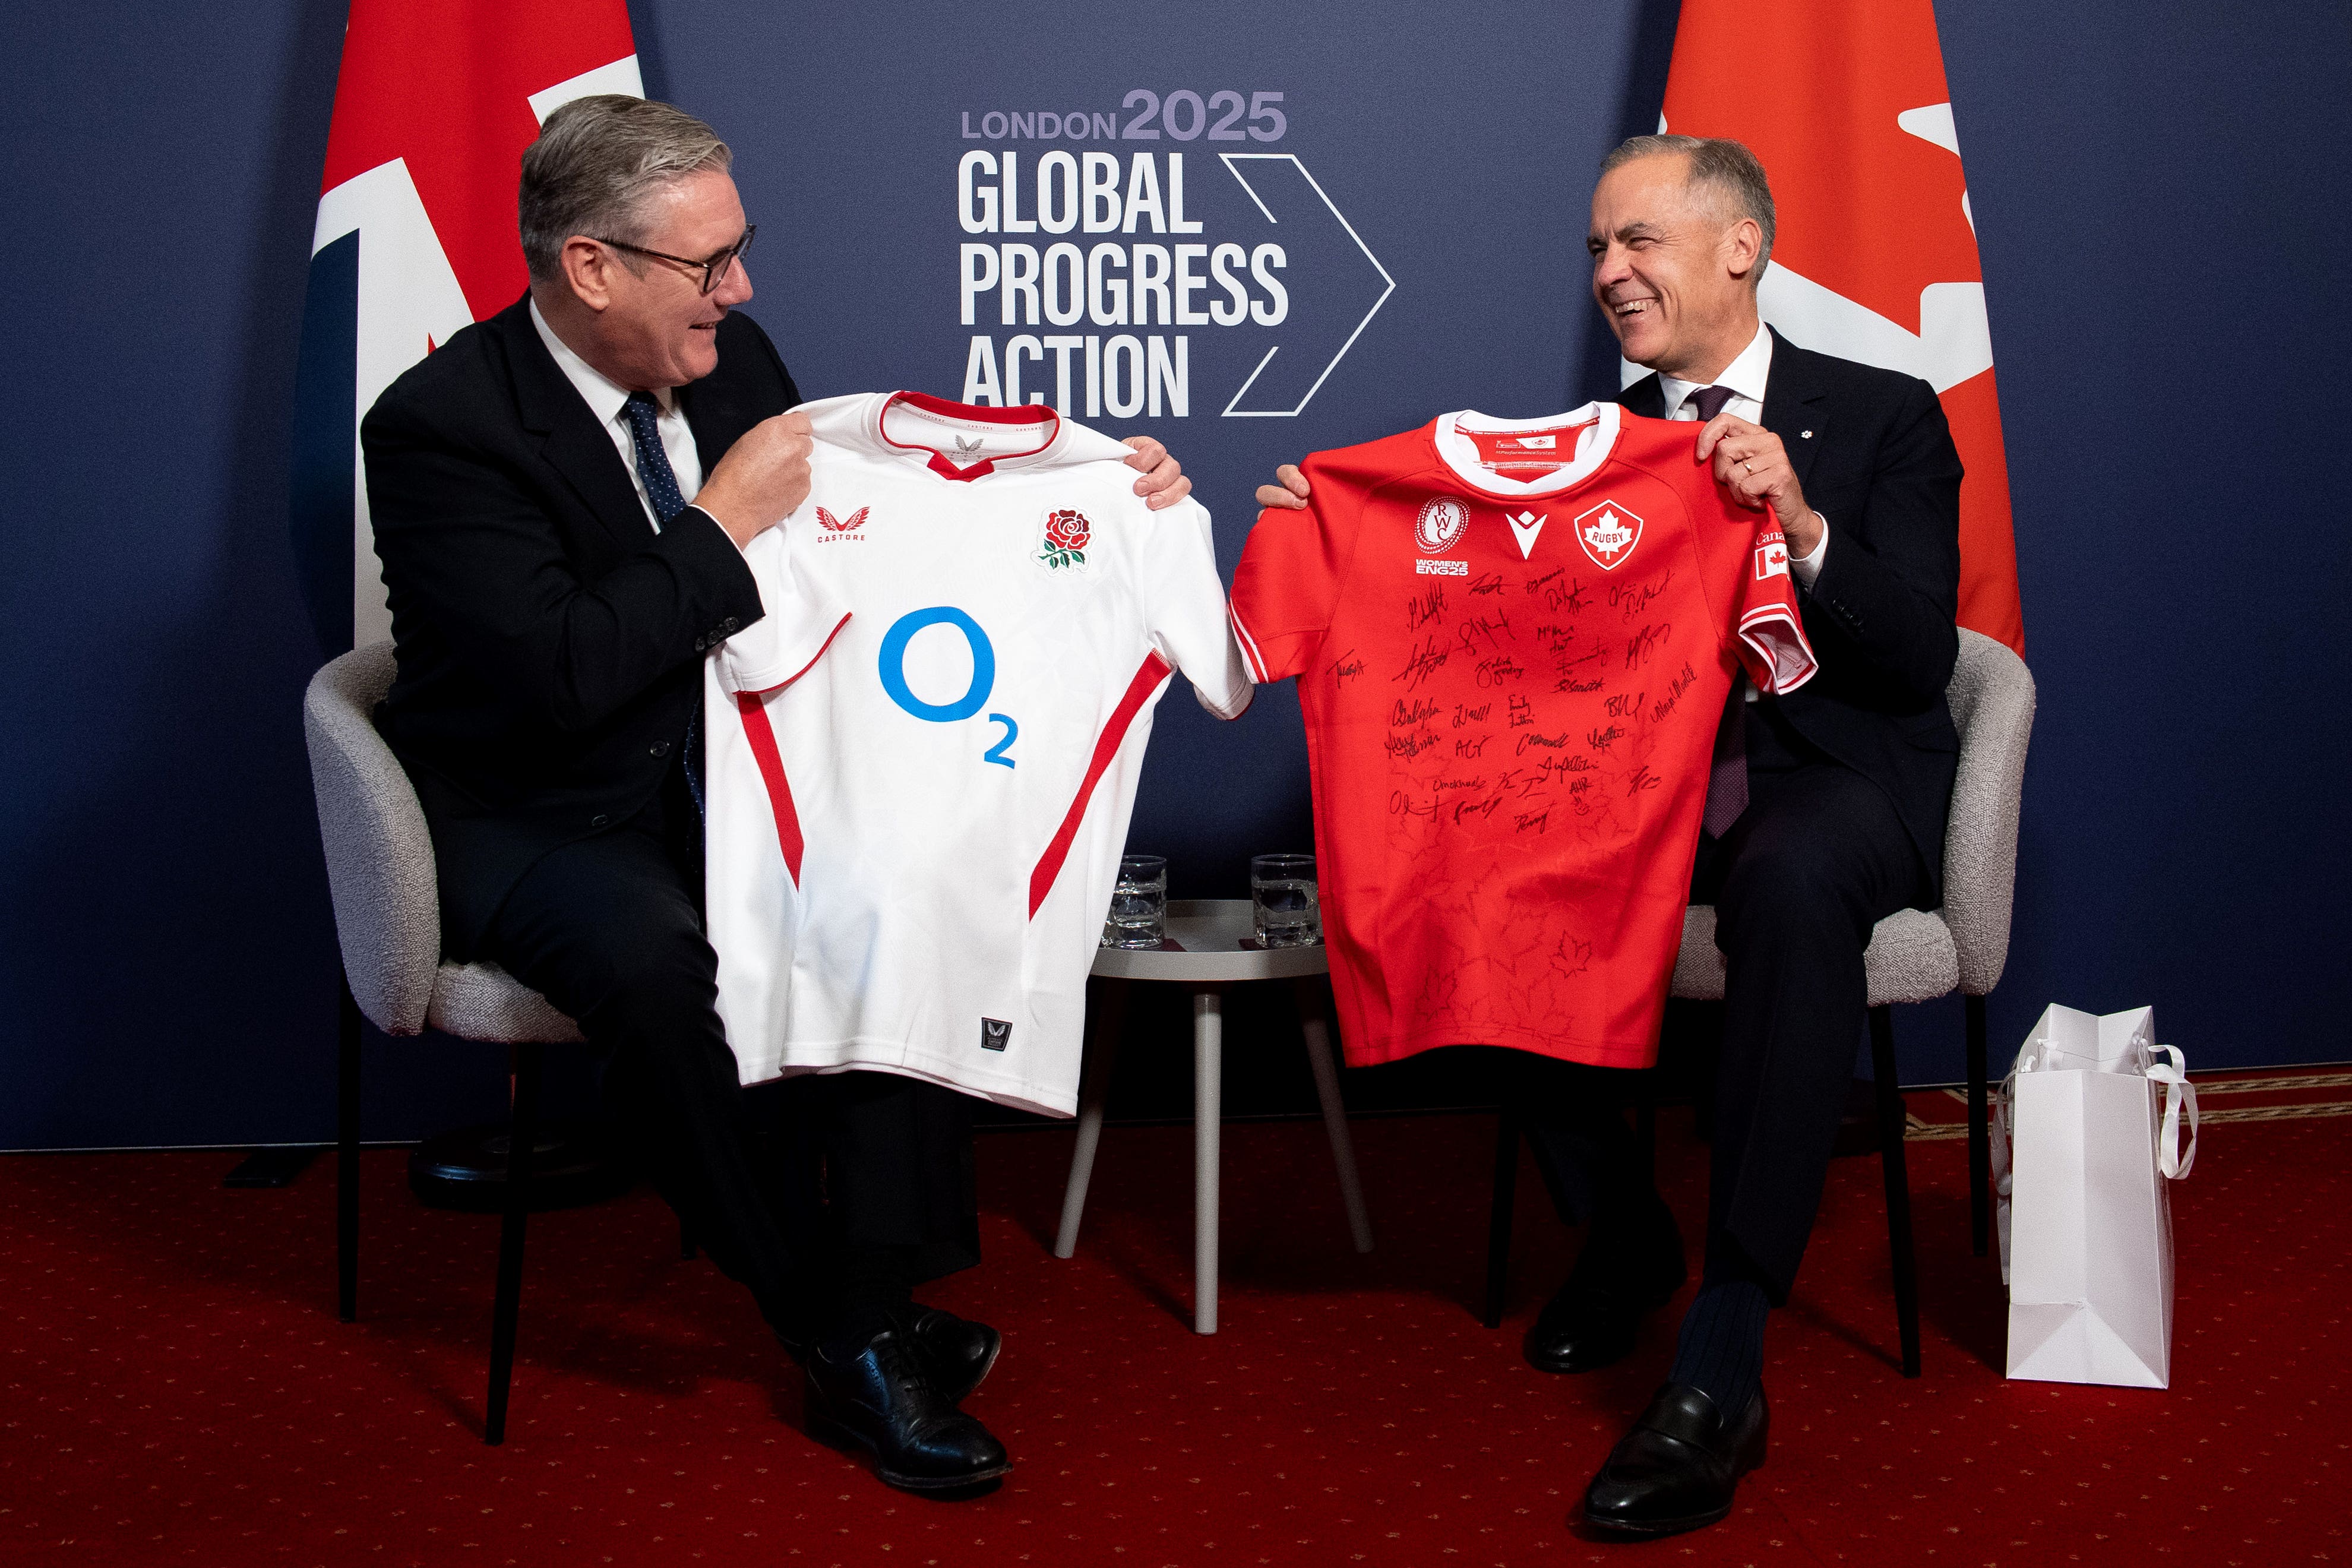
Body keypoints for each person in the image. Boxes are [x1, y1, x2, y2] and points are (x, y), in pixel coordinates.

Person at [362, 95, 1194, 1495]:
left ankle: (880, 1282)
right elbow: (561, 675)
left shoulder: (734, 358)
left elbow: (895, 533)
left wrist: (1112, 492)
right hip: (540, 806)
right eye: (708, 265)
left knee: (895, 877)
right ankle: (843, 1337)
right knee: (655, 964)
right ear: (590, 267)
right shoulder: (443, 426)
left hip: (736, 770)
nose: (741, 292)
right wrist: (717, 525)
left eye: (741, 254)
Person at [1256, 134, 1961, 1538]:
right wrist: (1330, 529)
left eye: (1636, 241)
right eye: (1595, 250)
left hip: (1834, 780)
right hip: (1642, 784)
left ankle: (1725, 1344)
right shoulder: (1603, 452)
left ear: (1740, 247)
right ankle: (1622, 1227)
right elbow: (1501, 644)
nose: (1609, 274)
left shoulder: (1884, 412)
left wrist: (1803, 529)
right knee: (1486, 860)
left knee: (1793, 871)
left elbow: (1920, 653)